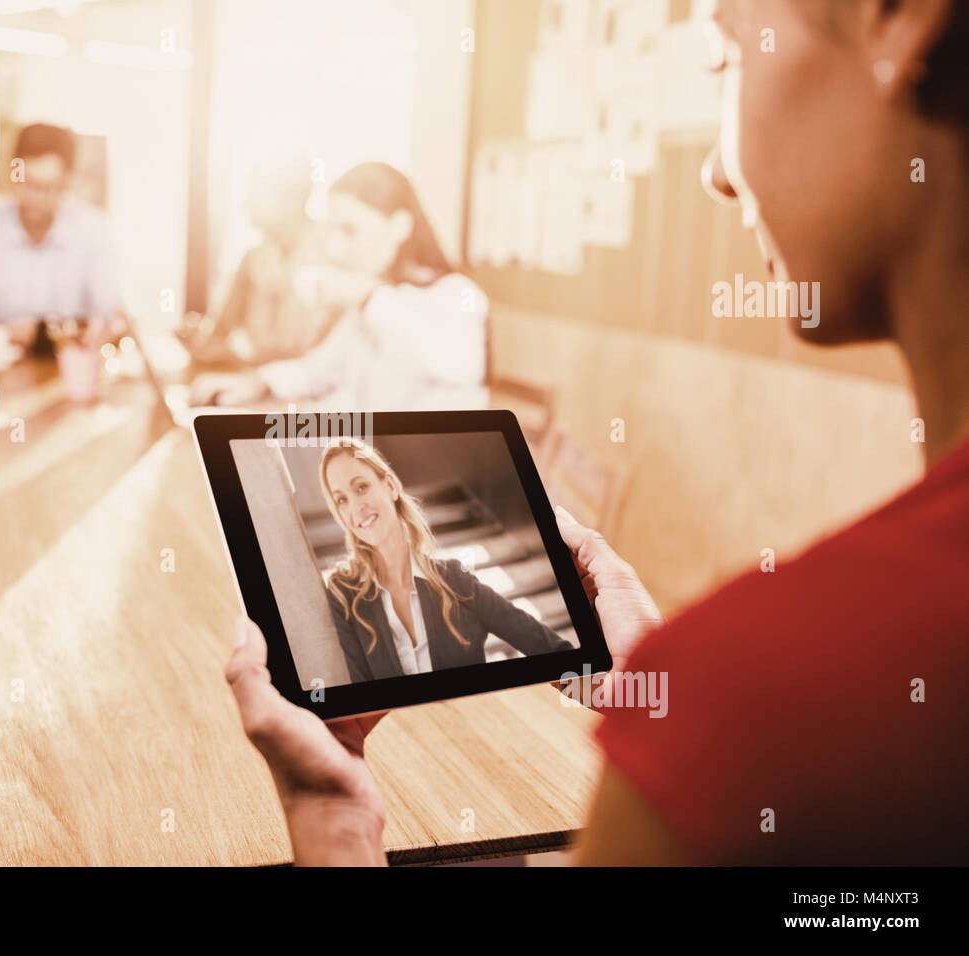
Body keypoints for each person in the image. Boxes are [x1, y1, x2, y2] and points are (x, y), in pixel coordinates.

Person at [223, 0, 969, 865]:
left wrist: (335, 825)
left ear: (899, 19)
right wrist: (659, 689)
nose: (718, 174)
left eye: (727, 57)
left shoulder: (769, 703)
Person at [189, 162, 488, 411]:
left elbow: (454, 363)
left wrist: (367, 295)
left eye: (349, 230)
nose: (335, 248)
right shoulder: (375, 300)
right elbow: (317, 371)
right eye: (332, 230)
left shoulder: (458, 296)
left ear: (399, 226)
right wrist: (258, 382)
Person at [321, 441, 570, 682]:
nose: (355, 508)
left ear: (390, 486)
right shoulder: (344, 595)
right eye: (341, 500)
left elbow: (549, 648)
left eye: (361, 487)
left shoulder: (455, 580)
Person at [0, 122, 123, 348]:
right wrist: (1, 332)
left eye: (48, 187)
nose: (36, 197)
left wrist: (81, 332)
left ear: (68, 181)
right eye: (27, 184)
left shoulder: (94, 231)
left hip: (67, 370)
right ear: (12, 173)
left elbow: (113, 319)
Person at [177, 156, 341, 365]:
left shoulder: (335, 253)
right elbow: (219, 333)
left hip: (308, 390)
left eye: (255, 192)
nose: (245, 202)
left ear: (292, 200)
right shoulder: (253, 258)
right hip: (256, 385)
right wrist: (201, 340)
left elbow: (330, 360)